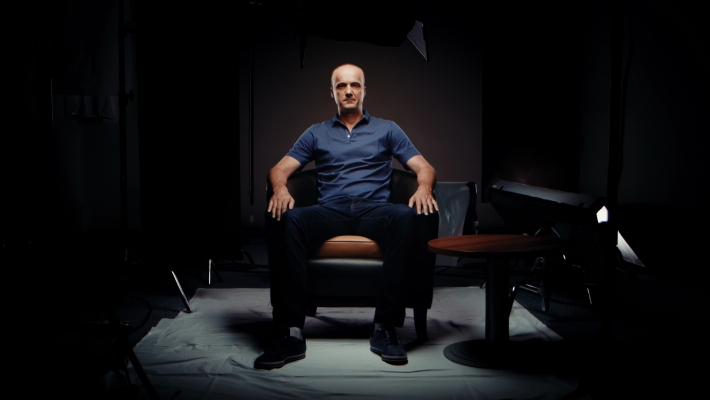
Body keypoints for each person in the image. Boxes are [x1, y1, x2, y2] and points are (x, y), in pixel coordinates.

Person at [255, 63, 438, 369]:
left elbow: (424, 167)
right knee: (290, 219)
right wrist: (280, 188)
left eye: (355, 85)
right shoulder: (316, 132)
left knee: (407, 216)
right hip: (331, 210)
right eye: (341, 86)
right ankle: (291, 332)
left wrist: (423, 187)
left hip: (375, 210)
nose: (349, 91)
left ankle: (384, 328)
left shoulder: (388, 129)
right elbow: (279, 169)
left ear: (364, 90)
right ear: (332, 92)